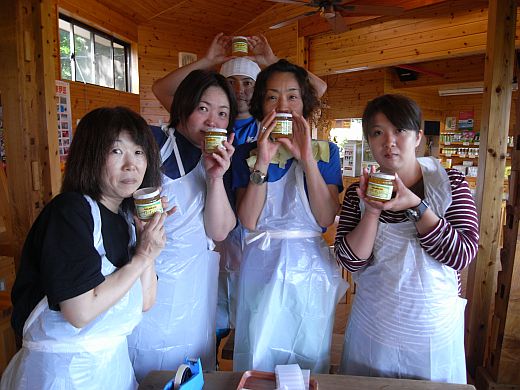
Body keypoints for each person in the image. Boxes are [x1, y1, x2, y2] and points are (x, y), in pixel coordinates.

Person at [1, 106, 167, 390]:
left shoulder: (125, 218)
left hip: (112, 367)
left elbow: (145, 302)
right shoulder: (70, 212)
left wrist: (145, 245)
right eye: (117, 151)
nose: (132, 165)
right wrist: (140, 258)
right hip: (62, 374)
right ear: (90, 156)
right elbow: (79, 312)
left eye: (139, 152)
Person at [334, 94, 479, 383]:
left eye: (399, 130)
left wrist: (417, 206)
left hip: (433, 335)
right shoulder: (357, 193)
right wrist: (372, 212)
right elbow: (349, 261)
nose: (389, 141)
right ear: (369, 141)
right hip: (374, 331)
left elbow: (462, 254)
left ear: (418, 137)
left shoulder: (450, 184)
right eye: (377, 132)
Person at [231, 59, 347, 373]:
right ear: (260, 104)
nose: (283, 105)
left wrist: (306, 157)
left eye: (292, 96)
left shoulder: (326, 153)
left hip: (309, 269)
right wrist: (263, 162)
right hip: (261, 264)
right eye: (272, 97)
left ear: (304, 103)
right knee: (259, 352)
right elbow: (249, 221)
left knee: (307, 352)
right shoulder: (245, 154)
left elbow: (325, 218)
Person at [127, 69, 237, 380]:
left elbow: (218, 231)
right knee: (148, 366)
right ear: (184, 106)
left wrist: (216, 178)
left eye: (222, 113)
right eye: (203, 108)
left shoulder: (221, 159)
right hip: (152, 275)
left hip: (196, 282)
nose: (213, 121)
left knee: (190, 368)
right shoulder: (152, 142)